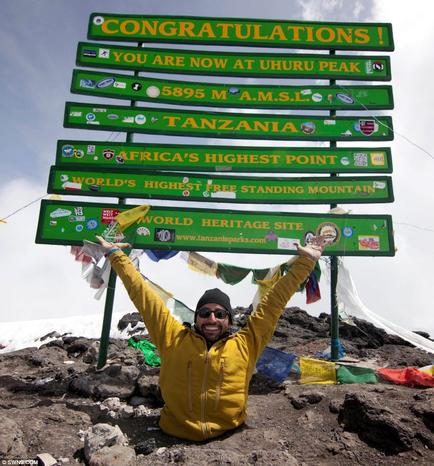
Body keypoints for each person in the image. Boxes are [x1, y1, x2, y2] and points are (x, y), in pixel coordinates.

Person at [96, 235, 328, 441]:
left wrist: (307, 262)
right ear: (196, 318)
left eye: (220, 314)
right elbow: (144, 297)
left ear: (229, 319)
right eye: (205, 313)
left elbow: (273, 303)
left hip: (229, 434)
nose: (212, 319)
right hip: (174, 432)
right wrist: (117, 255)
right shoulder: (172, 338)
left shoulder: (246, 343)